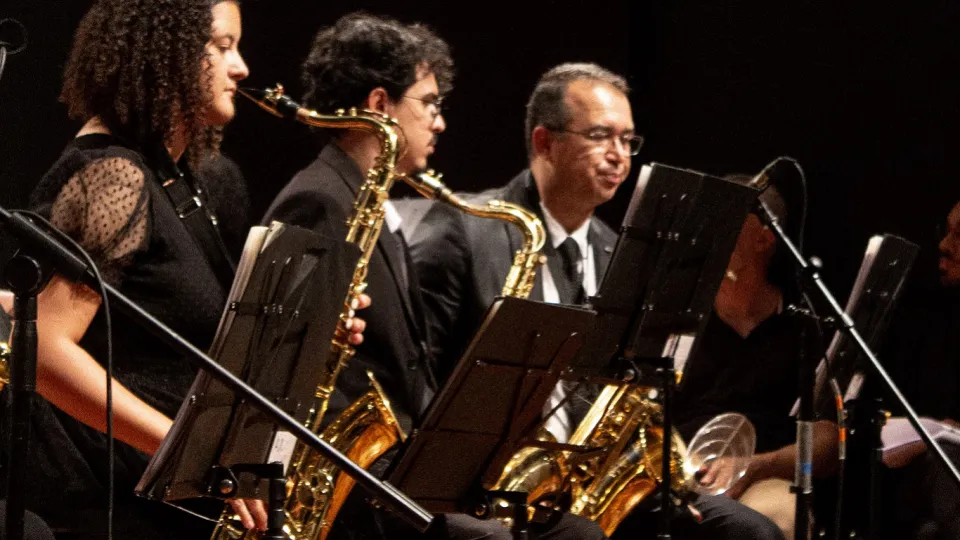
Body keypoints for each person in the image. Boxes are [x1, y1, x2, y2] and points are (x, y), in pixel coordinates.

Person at [13, 1, 366, 538]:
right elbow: (46, 349)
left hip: (178, 490)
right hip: (110, 496)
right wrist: (192, 456)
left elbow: (193, 332)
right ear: (165, 51)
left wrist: (309, 328)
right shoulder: (112, 176)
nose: (242, 66)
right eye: (222, 46)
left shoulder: (202, 178)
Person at [263, 14, 606, 540]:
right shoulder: (320, 199)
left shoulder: (370, 198)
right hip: (354, 477)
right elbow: (292, 367)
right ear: (380, 105)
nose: (440, 122)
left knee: (576, 533)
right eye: (429, 103)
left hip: (398, 463)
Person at [407, 63, 784, 540]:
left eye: (628, 141)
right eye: (601, 136)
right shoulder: (466, 230)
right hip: (492, 485)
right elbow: (420, 373)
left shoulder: (619, 253)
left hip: (588, 482)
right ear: (545, 142)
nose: (619, 156)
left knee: (748, 532)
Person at [672, 175, 838, 538]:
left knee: (775, 523)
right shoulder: (678, 314)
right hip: (679, 472)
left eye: (728, 216)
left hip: (765, 474)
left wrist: (755, 465)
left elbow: (829, 441)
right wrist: (683, 463)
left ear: (764, 239)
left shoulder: (804, 324)